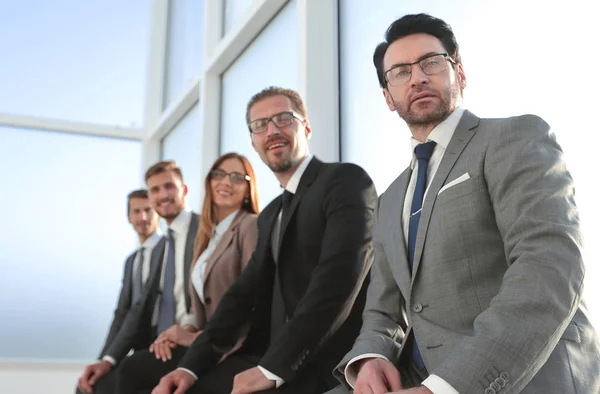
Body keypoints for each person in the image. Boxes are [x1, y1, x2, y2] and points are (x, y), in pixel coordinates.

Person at [331, 13, 600, 394]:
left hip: (518, 375)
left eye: (432, 63)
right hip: (413, 376)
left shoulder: (515, 136)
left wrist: (444, 387)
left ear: (460, 73)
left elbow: (549, 267)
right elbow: (382, 310)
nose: (419, 77)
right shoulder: (390, 199)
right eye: (401, 72)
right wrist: (371, 358)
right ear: (388, 97)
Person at [151, 86, 377, 394]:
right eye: (260, 125)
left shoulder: (345, 181)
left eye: (283, 119)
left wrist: (273, 368)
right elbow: (240, 297)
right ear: (254, 142)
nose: (272, 131)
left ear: (306, 127)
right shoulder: (271, 214)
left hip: (327, 362)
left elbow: (337, 283)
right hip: (270, 355)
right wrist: (189, 366)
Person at [113, 152, 261, 393]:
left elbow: (250, 299)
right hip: (200, 339)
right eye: (219, 175)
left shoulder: (250, 225)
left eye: (236, 177)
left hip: (228, 344)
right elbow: (196, 304)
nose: (225, 182)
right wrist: (187, 329)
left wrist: (195, 337)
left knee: (133, 371)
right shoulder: (210, 236)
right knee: (129, 371)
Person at [79, 161, 200, 393]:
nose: (162, 195)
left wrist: (187, 329)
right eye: (155, 190)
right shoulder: (162, 248)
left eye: (169, 187)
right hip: (159, 342)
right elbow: (134, 309)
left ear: (184, 190)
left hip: (191, 339)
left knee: (131, 371)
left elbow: (213, 295)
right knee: (90, 386)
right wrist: (108, 359)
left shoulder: (202, 230)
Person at [76, 189, 163, 394]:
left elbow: (141, 308)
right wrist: (104, 359)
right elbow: (122, 313)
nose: (142, 217)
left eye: (148, 210)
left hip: (160, 343)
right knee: (88, 386)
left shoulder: (167, 249)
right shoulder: (132, 261)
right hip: (136, 346)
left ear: (157, 212)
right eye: (136, 211)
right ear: (128, 217)